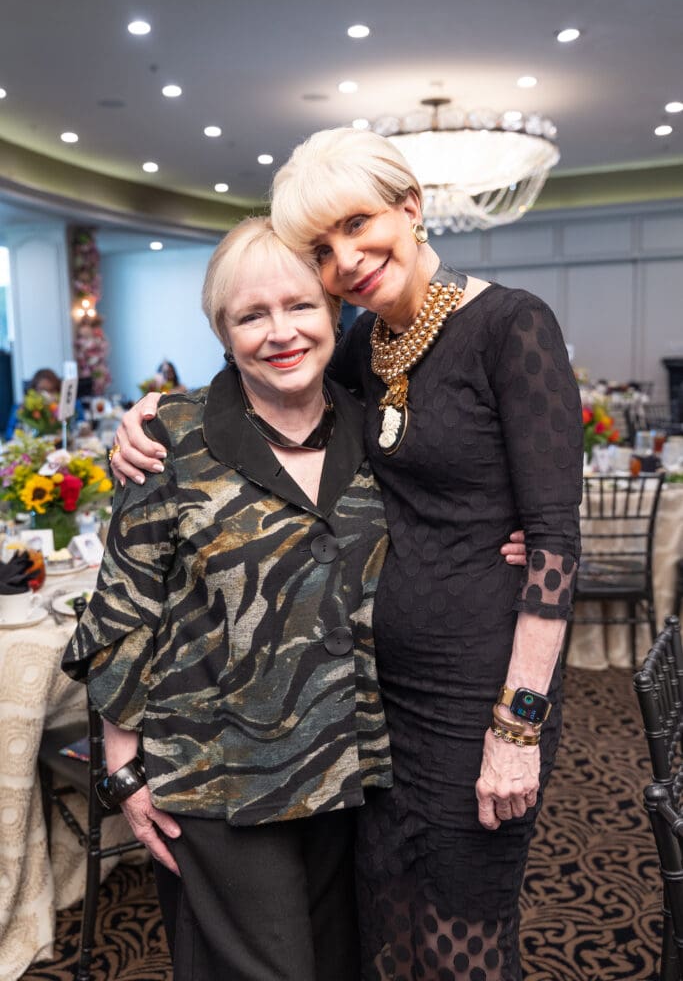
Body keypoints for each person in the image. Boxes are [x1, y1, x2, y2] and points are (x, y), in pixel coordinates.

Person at [112, 128, 581, 981]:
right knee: (384, 930)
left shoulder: (510, 324)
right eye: (323, 251)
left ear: (411, 207)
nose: (348, 261)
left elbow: (554, 543)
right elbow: (263, 394)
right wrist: (151, 415)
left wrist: (517, 726)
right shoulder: (362, 348)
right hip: (365, 710)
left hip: (475, 695)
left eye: (358, 224)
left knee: (464, 937)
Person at [62, 217, 394, 981]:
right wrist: (124, 770)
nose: (280, 332)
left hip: (354, 760)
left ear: (333, 311)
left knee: (341, 964)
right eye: (251, 315)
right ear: (222, 330)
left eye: (300, 306)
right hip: (218, 774)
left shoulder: (374, 428)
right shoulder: (171, 437)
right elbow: (121, 614)